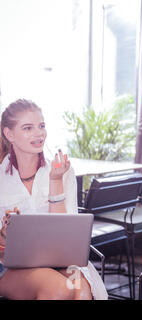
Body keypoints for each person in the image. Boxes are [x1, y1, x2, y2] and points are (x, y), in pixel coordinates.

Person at [0, 99, 108, 300]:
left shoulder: (62, 172)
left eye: (41, 126)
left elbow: (67, 236)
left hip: (62, 262)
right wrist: (5, 235)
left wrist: (55, 180)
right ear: (9, 134)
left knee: (82, 291)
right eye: (28, 128)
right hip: (9, 267)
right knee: (58, 289)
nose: (39, 133)